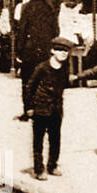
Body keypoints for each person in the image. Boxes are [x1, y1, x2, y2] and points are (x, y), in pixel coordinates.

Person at [25, 37, 72, 179]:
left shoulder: (65, 68)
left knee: (55, 139)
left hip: (56, 109)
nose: (63, 54)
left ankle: (52, 165)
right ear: (52, 51)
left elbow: (65, 85)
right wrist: (29, 107)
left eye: (66, 51)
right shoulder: (42, 67)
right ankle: (39, 169)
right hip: (41, 108)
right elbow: (30, 87)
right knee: (38, 140)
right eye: (60, 50)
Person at [15, 0, 58, 120]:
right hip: (45, 50)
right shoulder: (49, 7)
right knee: (43, 79)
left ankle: (28, 110)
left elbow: (21, 31)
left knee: (27, 81)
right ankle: (43, 109)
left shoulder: (26, 7)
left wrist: (19, 51)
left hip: (30, 50)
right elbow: (55, 31)